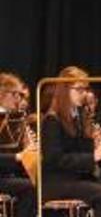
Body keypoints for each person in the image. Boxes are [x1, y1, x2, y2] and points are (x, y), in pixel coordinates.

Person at [41, 66, 101, 217]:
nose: (84, 94)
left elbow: (78, 150)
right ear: (65, 90)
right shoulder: (52, 120)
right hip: (57, 182)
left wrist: (95, 143)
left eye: (85, 89)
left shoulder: (77, 117)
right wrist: (93, 156)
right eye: (79, 89)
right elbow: (54, 159)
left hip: (75, 178)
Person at [0, 72, 36, 217]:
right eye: (16, 94)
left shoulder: (14, 119)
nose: (19, 100)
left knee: (38, 182)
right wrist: (19, 156)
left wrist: (28, 148)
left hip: (7, 175)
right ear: (2, 93)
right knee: (29, 187)